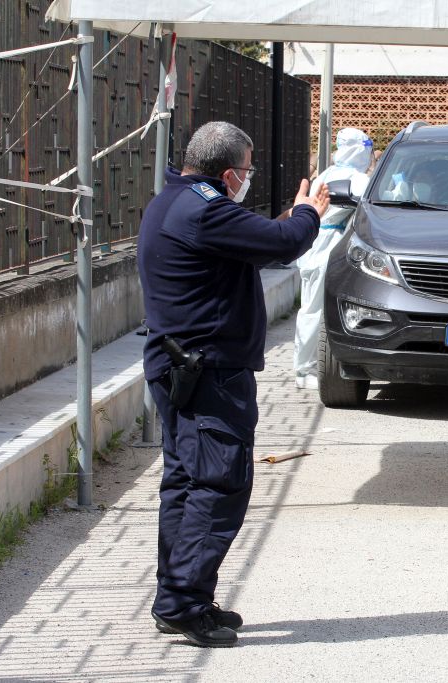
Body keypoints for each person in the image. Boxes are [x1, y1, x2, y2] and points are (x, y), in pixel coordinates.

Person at [137, 121, 329, 648]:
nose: (248, 178)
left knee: (186, 482)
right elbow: (287, 242)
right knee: (218, 485)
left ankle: (179, 598)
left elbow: (260, 245)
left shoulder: (174, 200)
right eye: (247, 170)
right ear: (228, 174)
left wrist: (288, 222)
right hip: (209, 374)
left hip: (183, 367)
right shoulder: (205, 209)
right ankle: (183, 603)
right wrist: (309, 213)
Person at [293, 127, 373, 388]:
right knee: (314, 310)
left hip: (319, 246)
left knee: (315, 308)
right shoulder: (355, 179)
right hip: (326, 248)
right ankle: (304, 370)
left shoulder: (328, 173)